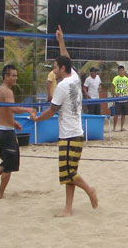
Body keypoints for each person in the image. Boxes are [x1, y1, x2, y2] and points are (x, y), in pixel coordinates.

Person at [34, 25, 98, 217]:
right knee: (69, 174)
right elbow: (67, 58)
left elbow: (52, 110)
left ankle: (89, 190)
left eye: (55, 68)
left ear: (62, 69)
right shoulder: (75, 77)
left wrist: (36, 119)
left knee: (68, 174)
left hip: (70, 135)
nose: (53, 71)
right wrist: (61, 41)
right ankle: (68, 208)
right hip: (74, 133)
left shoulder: (62, 86)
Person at [0, 64, 36, 199]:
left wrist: (14, 122)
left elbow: (3, 111)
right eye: (13, 75)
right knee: (9, 165)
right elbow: (12, 108)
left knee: (8, 162)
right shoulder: (7, 91)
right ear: (5, 76)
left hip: (2, 130)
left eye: (16, 75)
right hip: (6, 132)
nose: (15, 78)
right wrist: (28, 110)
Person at [111, 65, 128, 132]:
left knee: (124, 114)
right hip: (118, 99)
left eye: (122, 70)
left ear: (124, 71)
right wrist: (115, 94)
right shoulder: (115, 78)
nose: (121, 72)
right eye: (120, 71)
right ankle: (114, 128)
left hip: (125, 98)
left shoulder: (126, 79)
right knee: (116, 114)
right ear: (118, 71)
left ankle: (121, 127)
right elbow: (113, 87)